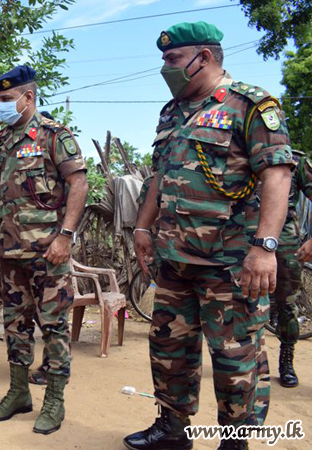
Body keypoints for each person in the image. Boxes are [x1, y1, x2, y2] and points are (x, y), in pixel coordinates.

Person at [124, 22, 293, 450]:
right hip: (174, 260)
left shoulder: (251, 105)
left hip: (231, 264)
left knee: (234, 359)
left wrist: (265, 248)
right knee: (169, 350)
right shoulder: (172, 111)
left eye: (173, 59)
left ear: (206, 57)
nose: (166, 68)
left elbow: (276, 176)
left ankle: (234, 442)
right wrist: (143, 227)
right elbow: (159, 176)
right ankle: (173, 430)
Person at [0, 65, 88, 435]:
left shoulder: (54, 135)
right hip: (11, 254)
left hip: (48, 253)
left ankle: (54, 402)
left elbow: (78, 184)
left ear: (29, 97)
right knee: (15, 326)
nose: (2, 107)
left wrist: (66, 235)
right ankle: (18, 393)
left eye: (7, 100)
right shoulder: (1, 141)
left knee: (54, 327)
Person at [270, 149, 312, 388]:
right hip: (243, 242)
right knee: (242, 303)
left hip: (285, 243)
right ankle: (251, 362)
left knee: (287, 304)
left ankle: (286, 361)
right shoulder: (237, 154)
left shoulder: (295, 161)